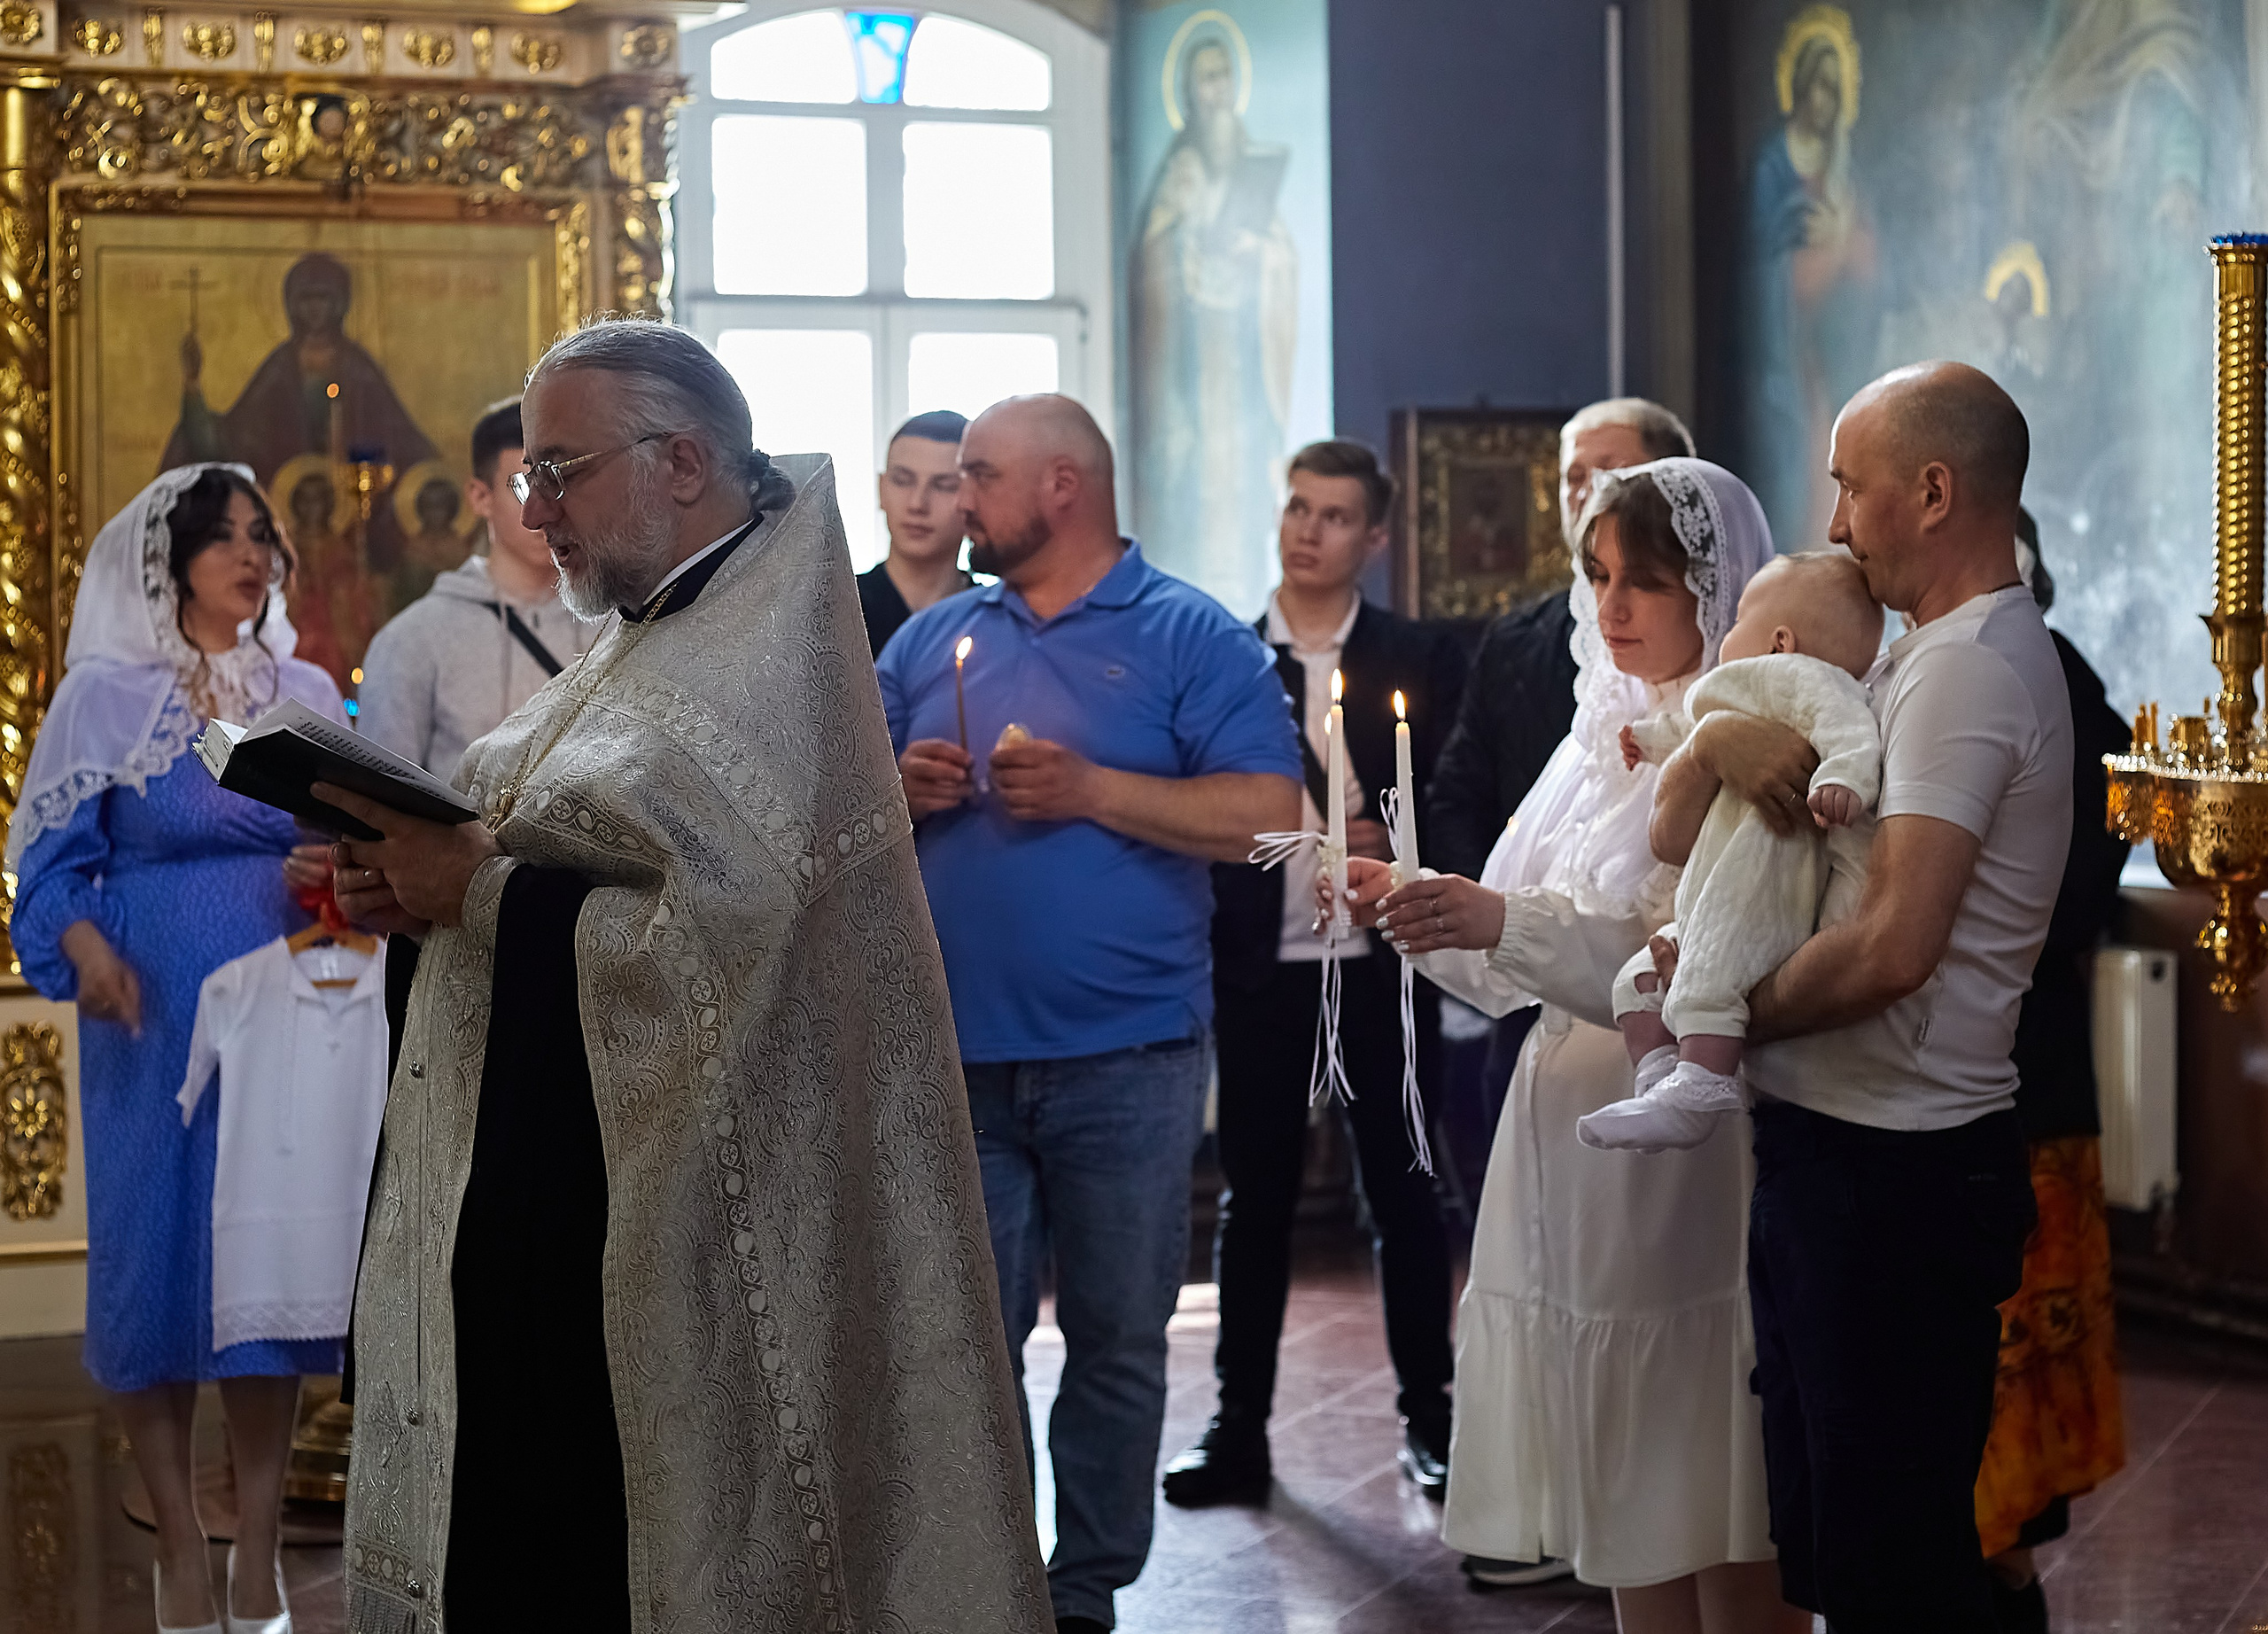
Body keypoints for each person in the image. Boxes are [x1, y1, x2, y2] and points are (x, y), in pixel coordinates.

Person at [328, 320, 1051, 1632]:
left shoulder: (760, 663)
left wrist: (476, 891)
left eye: (561, 470)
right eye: (531, 477)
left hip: (667, 1235)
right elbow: (555, 844)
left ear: (678, 463)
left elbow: (721, 944)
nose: (534, 508)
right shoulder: (649, 629)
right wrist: (425, 882)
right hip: (556, 1193)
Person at [1348, 457, 1806, 1633]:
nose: (1610, 609)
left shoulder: (1745, 738)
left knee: (1710, 1479)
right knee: (1623, 1497)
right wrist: (1410, 908)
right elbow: (1497, 961)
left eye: (1645, 583)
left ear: (1712, 586)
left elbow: (1705, 962)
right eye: (1596, 577)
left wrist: (1502, 923)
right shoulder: (1592, 737)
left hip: (1685, 1150)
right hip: (1562, 1131)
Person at [876, 393, 1302, 1633]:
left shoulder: (1191, 635)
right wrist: (902, 789)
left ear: (1063, 486)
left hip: (1130, 1054)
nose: (958, 503)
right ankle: (993, 1578)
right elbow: (838, 816)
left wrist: (1092, 788)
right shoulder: (930, 642)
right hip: (957, 1053)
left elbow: (1270, 816)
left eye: (981, 479)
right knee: (971, 1346)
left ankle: (1086, 1592)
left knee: (1117, 1337)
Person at [1652, 362, 2068, 1631]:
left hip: (1895, 1172)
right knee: (1857, 1554)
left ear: (1934, 492)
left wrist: (1716, 1010)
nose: (1834, 522)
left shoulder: (1968, 671)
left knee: (1896, 1579)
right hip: (1846, 1156)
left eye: (1850, 486)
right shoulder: (1925, 658)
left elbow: (1892, 945)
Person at [7, 463, 350, 1634]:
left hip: (284, 1006)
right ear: (170, 562)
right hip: (149, 1020)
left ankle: (255, 1553)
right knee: (155, 1267)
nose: (253, 556)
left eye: (265, 536)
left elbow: (349, 841)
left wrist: (329, 870)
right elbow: (47, 878)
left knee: (269, 1271)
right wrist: (86, 950)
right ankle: (180, 1555)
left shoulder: (301, 688)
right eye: (226, 539)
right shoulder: (107, 696)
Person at [1167, 439, 1468, 1508]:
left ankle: (1431, 1423)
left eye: (1336, 515)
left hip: (1382, 971)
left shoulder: (1422, 657)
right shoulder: (1225, 651)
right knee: (1254, 1202)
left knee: (1404, 1189)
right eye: (1297, 505)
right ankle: (1237, 1428)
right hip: (1264, 964)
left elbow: (1457, 796)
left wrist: (1387, 836)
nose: (1308, 528)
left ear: (1373, 538)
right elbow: (1193, 804)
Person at [1581, 552, 1883, 1153]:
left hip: (1763, 877)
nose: (1728, 630)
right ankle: (1660, 1076)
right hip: (1711, 883)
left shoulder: (1801, 679)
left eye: (1742, 615)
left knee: (1711, 978)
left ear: (1779, 641)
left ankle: (1703, 1087)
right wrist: (1647, 739)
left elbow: (1848, 726)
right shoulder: (1739, 696)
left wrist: (1846, 778)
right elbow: (1694, 731)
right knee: (1635, 984)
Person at [1976, 510, 2128, 1634]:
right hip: (1981, 1074)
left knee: (2011, 1379)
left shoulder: (2051, 681)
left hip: (2023, 1077)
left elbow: (2066, 891)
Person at [355, 397, 599, 778]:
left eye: (557, 484)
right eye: (522, 487)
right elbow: (385, 801)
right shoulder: (414, 640)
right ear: (479, 497)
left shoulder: (616, 623)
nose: (546, 508)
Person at [859, 408, 974, 657]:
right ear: (882, 489)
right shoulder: (833, 609)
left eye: (944, 486)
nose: (917, 504)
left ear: (974, 499)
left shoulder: (997, 620)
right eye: (902, 480)